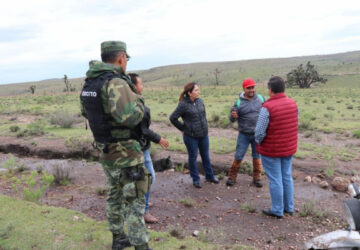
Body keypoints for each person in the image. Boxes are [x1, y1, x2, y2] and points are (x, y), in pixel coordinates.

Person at [80, 41, 152, 250]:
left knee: (114, 196)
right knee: (135, 200)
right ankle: (141, 245)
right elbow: (130, 118)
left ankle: (118, 238)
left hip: (106, 151)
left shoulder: (90, 83)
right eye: (126, 59)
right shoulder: (116, 82)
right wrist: (139, 102)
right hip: (126, 153)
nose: (126, 63)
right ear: (121, 57)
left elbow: (87, 113)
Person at [255, 76, 298, 219]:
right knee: (286, 177)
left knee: (275, 179)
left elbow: (260, 132)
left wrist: (258, 142)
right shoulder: (293, 103)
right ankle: (289, 207)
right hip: (288, 148)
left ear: (270, 90)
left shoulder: (267, 107)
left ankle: (277, 210)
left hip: (271, 150)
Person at [129, 73, 170, 224]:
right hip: (140, 148)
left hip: (131, 148)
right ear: (134, 86)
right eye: (141, 84)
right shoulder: (138, 107)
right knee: (149, 178)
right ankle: (144, 210)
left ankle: (142, 202)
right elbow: (144, 130)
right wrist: (159, 139)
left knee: (139, 179)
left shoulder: (125, 105)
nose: (143, 86)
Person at [169, 82, 219, 188]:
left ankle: (210, 176)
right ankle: (196, 179)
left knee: (206, 156)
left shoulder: (200, 101)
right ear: (189, 93)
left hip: (203, 135)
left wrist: (205, 127)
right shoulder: (183, 104)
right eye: (196, 90)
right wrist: (183, 128)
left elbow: (203, 116)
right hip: (191, 136)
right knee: (193, 157)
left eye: (198, 89)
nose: (198, 92)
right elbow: (173, 118)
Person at [226, 78, 265, 187]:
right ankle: (232, 177)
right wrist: (233, 117)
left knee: (257, 156)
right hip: (244, 134)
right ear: (244, 89)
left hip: (257, 134)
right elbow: (231, 118)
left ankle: (257, 178)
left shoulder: (261, 99)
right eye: (249, 88)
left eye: (253, 87)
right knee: (238, 156)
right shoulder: (238, 102)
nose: (252, 90)